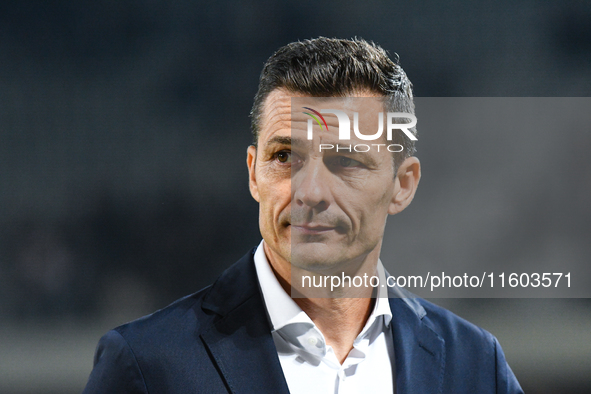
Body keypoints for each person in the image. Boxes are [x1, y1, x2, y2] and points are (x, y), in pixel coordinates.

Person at [83, 37, 523, 393]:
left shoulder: (476, 365)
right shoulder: (146, 366)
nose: (309, 192)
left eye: (347, 161)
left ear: (402, 185)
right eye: (285, 156)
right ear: (254, 174)